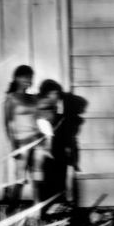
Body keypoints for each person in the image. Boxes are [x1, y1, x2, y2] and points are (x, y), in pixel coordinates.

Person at [3, 65, 52, 203]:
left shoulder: (34, 98)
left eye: (30, 77)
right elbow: (8, 124)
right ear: (17, 78)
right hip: (21, 142)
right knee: (20, 179)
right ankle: (11, 212)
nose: (29, 80)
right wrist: (13, 146)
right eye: (25, 77)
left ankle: (37, 212)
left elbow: (42, 117)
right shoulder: (11, 98)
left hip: (37, 140)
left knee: (37, 178)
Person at [37, 79, 87, 208]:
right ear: (46, 94)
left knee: (59, 180)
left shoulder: (58, 110)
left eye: (57, 94)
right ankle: (49, 209)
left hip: (59, 150)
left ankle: (57, 208)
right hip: (48, 150)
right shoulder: (43, 109)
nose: (56, 96)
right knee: (49, 180)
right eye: (53, 94)